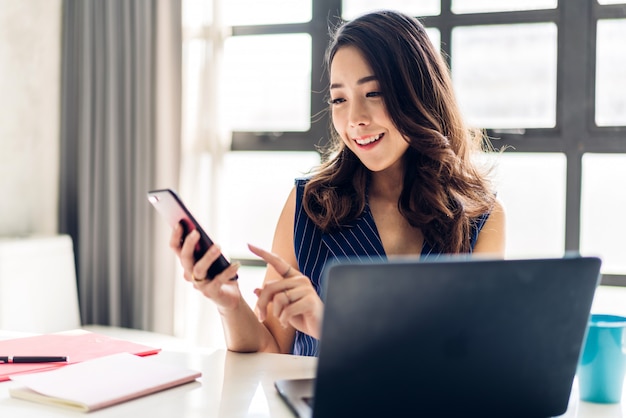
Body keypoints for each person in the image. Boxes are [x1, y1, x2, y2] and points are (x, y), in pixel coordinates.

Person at [170, 10, 506, 357]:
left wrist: (332, 328)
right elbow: (269, 351)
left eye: (373, 93)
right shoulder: (309, 204)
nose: (355, 119)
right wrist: (228, 304)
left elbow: (469, 363)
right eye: (339, 99)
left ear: (418, 93)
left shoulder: (482, 216)